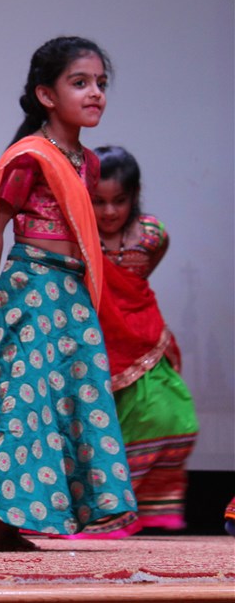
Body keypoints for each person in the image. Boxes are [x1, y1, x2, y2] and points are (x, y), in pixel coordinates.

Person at [0, 36, 136, 551]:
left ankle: (32, 510)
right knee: (24, 398)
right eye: (81, 83)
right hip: (31, 287)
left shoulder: (86, 162)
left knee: (68, 400)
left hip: (71, 292)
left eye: (101, 85)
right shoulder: (30, 158)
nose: (96, 94)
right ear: (46, 95)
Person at [84, 145, 197, 536]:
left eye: (120, 201)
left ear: (135, 196)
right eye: (98, 202)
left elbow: (146, 268)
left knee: (174, 416)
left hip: (144, 337)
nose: (110, 212)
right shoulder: (77, 233)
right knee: (99, 432)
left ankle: (132, 507)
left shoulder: (150, 233)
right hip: (95, 341)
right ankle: (102, 511)